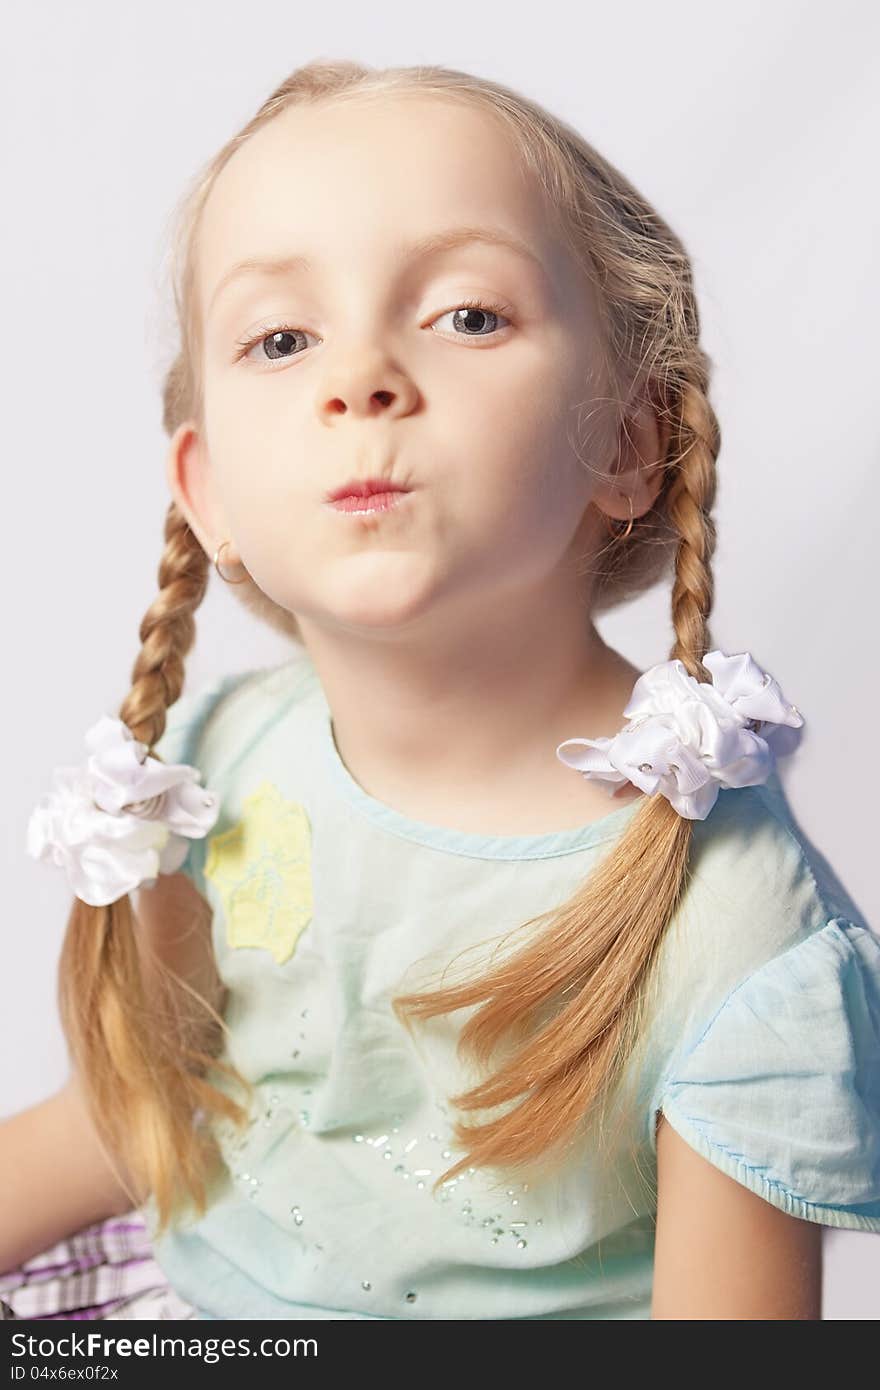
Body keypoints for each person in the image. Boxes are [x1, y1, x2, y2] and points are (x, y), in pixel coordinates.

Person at [4, 58, 878, 1322]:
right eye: (281, 337)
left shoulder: (735, 930)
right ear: (209, 496)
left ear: (628, 440)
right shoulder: (222, 760)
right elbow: (141, 1120)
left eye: (469, 315)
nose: (355, 379)